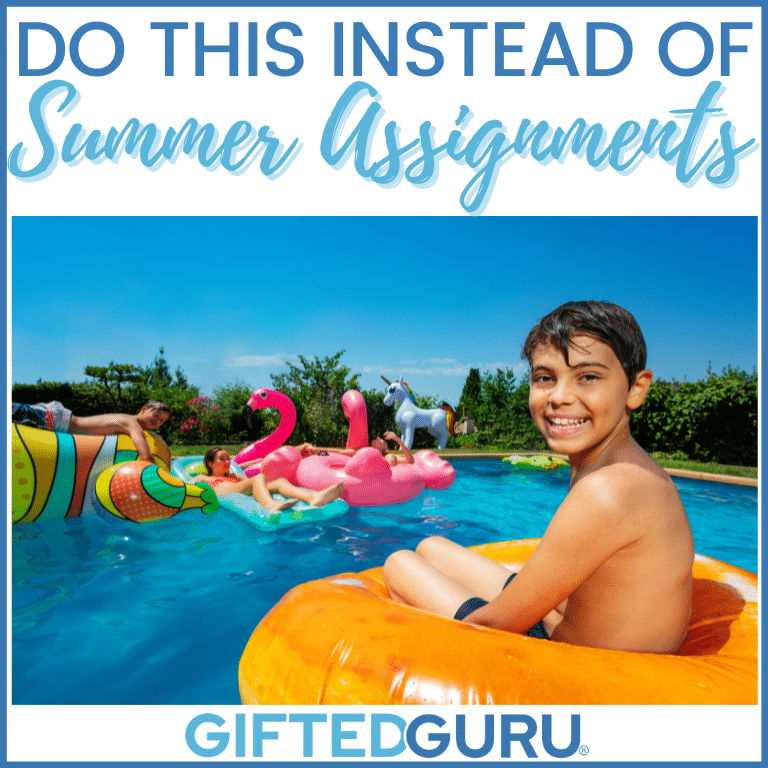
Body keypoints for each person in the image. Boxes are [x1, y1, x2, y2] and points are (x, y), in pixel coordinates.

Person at [383, 301, 695, 655]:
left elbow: (493, 628)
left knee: (399, 565)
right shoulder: (632, 470)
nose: (559, 397)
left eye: (588, 377)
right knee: (430, 546)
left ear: (636, 389)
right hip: (588, 631)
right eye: (545, 378)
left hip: (579, 666)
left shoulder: (606, 491)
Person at [11, 399, 171, 464]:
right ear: (143, 409)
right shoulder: (132, 423)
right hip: (56, 420)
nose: (157, 421)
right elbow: (146, 456)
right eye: (156, 415)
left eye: (161, 421)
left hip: (58, 421)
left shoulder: (130, 423)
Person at [193, 447, 344, 512]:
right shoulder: (204, 478)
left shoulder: (234, 476)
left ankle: (313, 497)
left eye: (228, 459)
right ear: (210, 463)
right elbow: (187, 487)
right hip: (223, 493)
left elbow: (253, 483)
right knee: (258, 478)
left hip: (238, 491)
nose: (227, 462)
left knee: (280, 481)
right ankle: (271, 505)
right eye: (222, 459)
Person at [298, 430, 415, 467]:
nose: (378, 438)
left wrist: (397, 439)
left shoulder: (388, 456)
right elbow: (337, 453)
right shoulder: (361, 454)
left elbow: (410, 460)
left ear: (385, 446)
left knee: (391, 458)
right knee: (308, 447)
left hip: (383, 482)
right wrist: (315, 450)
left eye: (381, 439)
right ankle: (309, 454)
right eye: (376, 438)